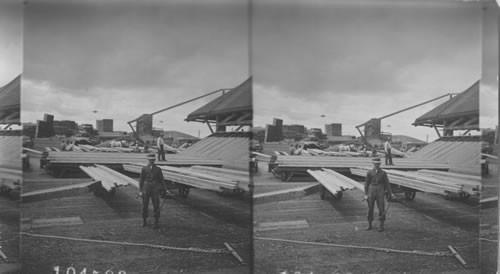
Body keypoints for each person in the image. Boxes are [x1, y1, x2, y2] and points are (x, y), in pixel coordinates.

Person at [364, 157, 395, 232]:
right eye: (375, 164)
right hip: (371, 191)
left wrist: (391, 193)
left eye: (378, 164)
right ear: (373, 164)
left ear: (380, 164)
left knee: (381, 208)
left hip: (380, 191)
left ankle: (381, 225)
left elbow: (387, 184)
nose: (377, 165)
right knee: (370, 208)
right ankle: (369, 224)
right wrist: (365, 194)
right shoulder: (369, 172)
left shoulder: (383, 173)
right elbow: (366, 184)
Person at [139, 153, 168, 229]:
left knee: (156, 205)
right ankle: (144, 220)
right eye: (150, 159)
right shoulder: (144, 168)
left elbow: (162, 180)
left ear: (154, 160)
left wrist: (166, 189)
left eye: (153, 159)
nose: (151, 161)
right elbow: (141, 180)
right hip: (146, 188)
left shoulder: (158, 169)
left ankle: (156, 222)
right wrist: (140, 190)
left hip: (155, 189)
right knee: (145, 205)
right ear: (148, 159)